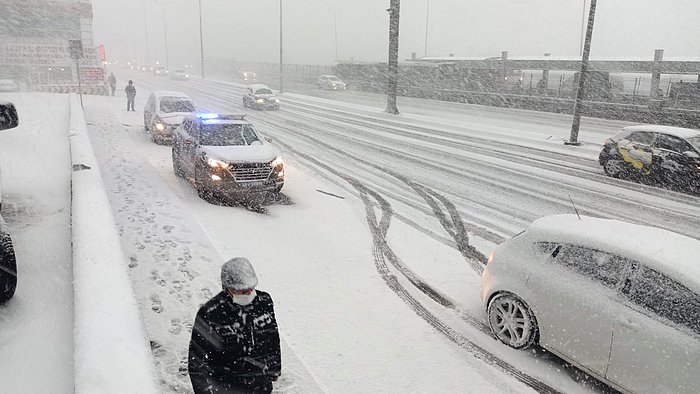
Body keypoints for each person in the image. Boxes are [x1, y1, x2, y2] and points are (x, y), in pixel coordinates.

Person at [188, 258, 281, 393]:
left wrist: (274, 368)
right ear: (228, 288)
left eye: (251, 289)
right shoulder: (210, 313)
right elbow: (196, 360)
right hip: (226, 385)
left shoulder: (264, 301)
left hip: (260, 383)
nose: (249, 294)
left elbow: (272, 335)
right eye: (242, 291)